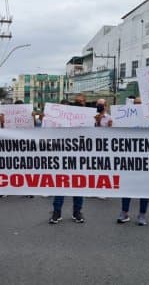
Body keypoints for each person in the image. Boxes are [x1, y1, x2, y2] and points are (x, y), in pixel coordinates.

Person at [49, 94, 87, 224]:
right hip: (62, 158)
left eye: (81, 102)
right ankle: (57, 212)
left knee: (78, 186)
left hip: (79, 160)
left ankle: (77, 212)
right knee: (60, 186)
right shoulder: (62, 121)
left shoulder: (88, 120)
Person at [117, 97, 149, 225]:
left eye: (140, 104)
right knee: (127, 187)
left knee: (144, 189)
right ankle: (124, 213)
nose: (137, 106)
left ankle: (142, 214)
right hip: (129, 159)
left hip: (146, 159)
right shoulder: (125, 119)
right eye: (135, 103)